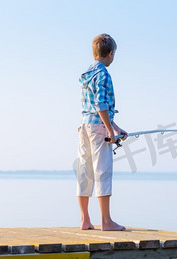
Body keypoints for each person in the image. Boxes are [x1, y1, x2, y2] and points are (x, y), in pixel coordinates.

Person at [76, 33, 127, 231]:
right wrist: (109, 130)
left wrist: (115, 127)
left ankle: (85, 220)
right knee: (102, 171)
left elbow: (95, 107)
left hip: (85, 126)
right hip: (98, 129)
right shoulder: (104, 74)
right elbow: (101, 105)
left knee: (85, 172)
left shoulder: (87, 73)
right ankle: (106, 221)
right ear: (110, 54)